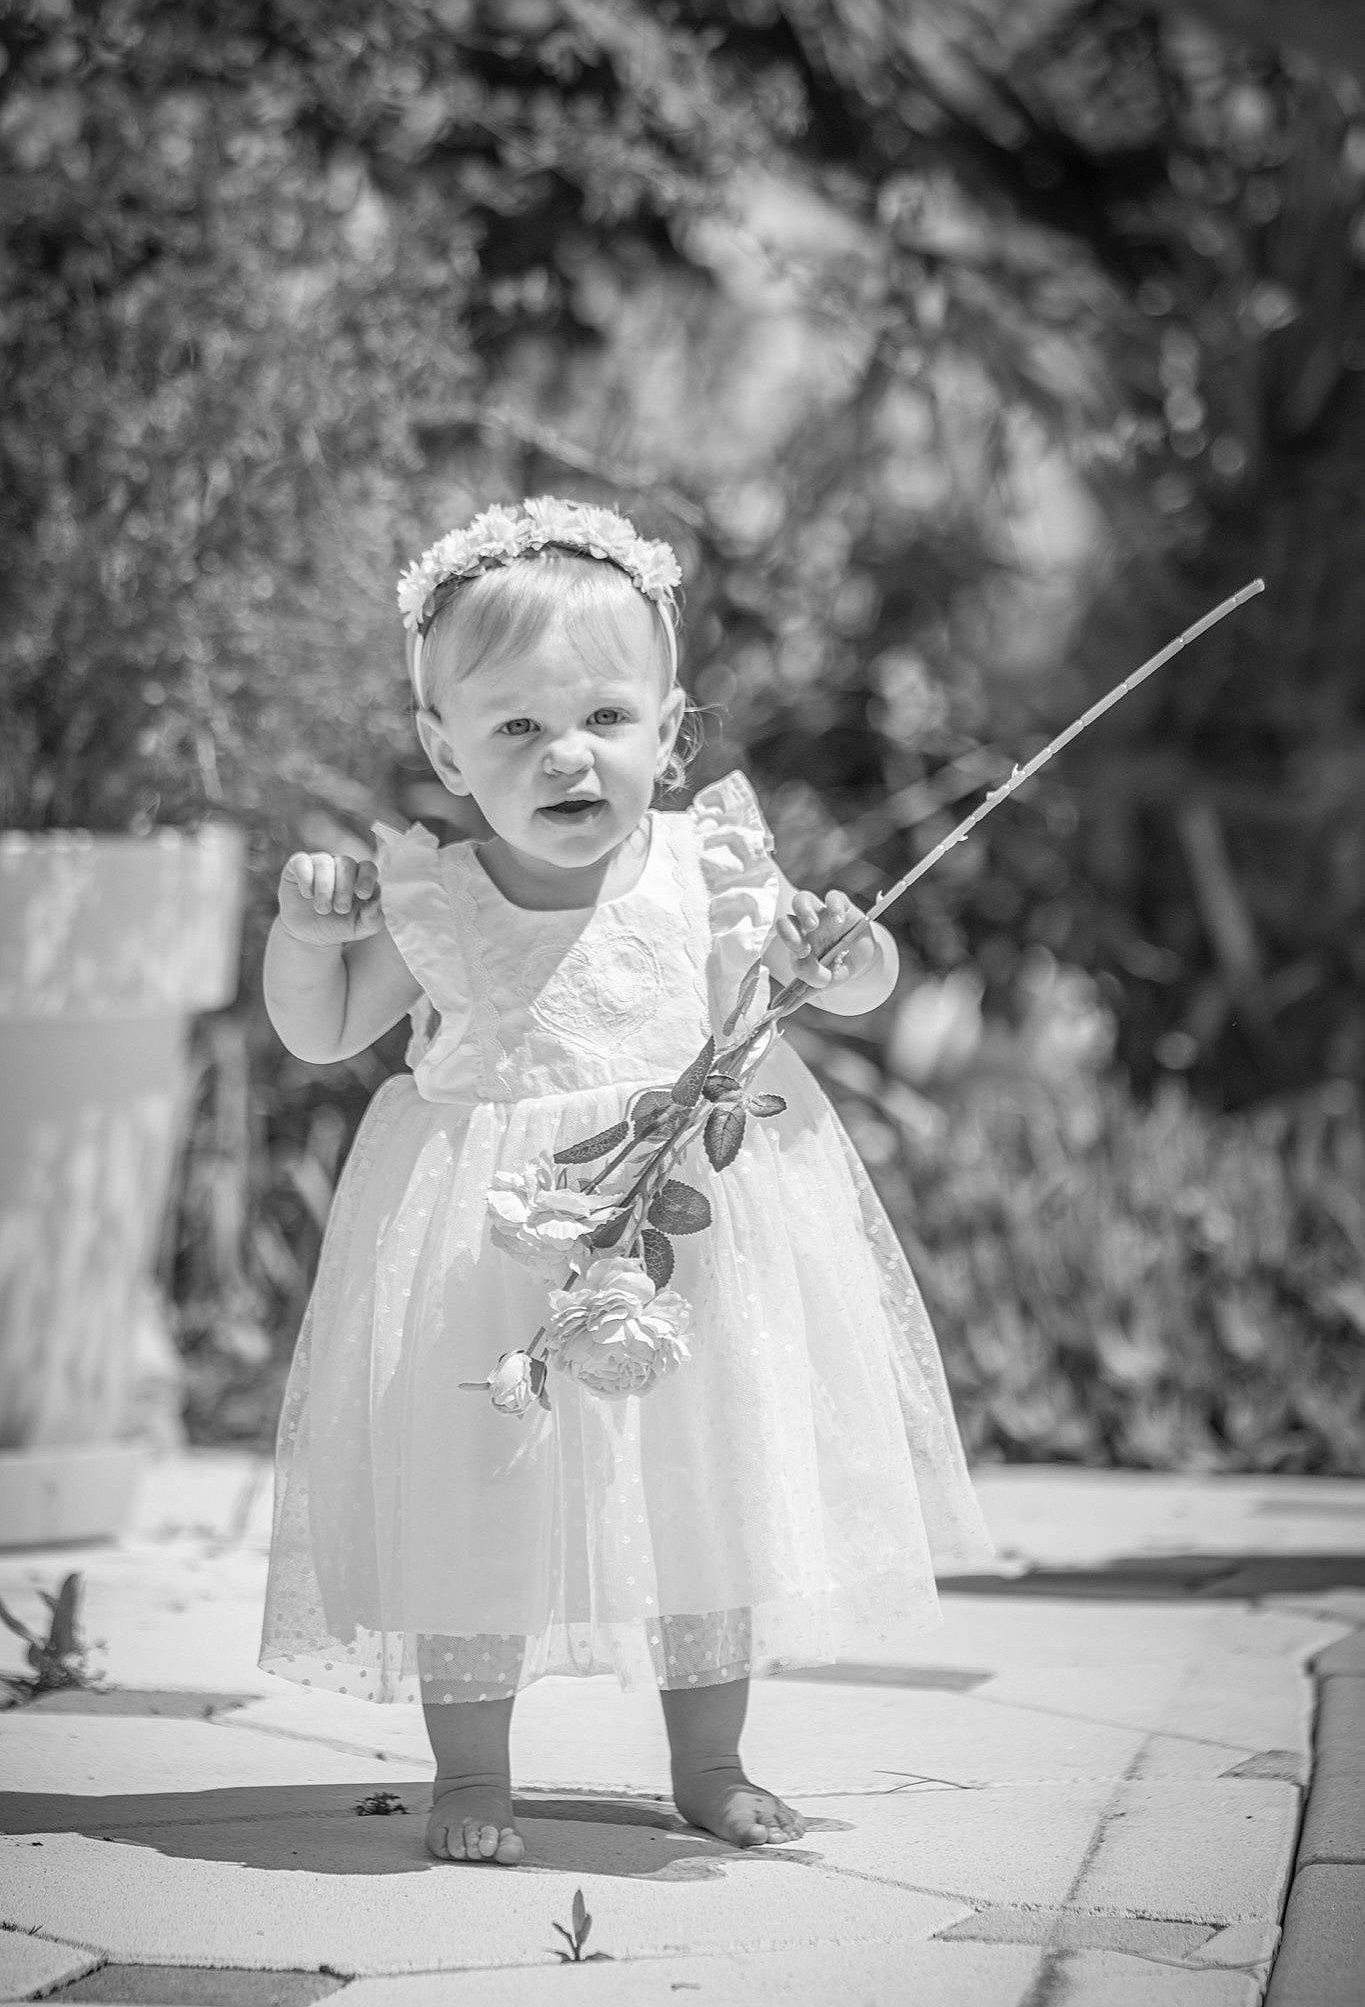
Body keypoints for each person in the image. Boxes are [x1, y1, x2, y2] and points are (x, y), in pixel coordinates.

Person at [259, 496, 992, 1868]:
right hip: (487, 1267)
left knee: (696, 1498)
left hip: (684, 1258)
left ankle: (709, 1760)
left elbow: (839, 983)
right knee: (474, 1502)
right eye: (517, 729)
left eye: (604, 718)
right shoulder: (432, 898)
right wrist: (305, 938)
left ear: (671, 731)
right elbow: (317, 1028)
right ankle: (472, 1774)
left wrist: (847, 955)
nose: (567, 757)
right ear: (444, 751)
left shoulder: (709, 872)